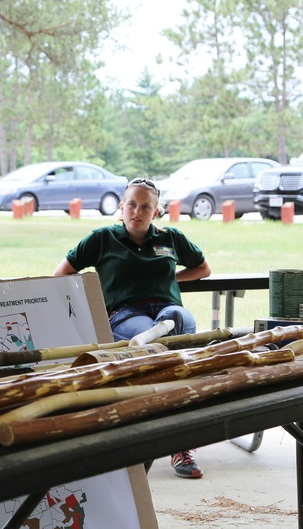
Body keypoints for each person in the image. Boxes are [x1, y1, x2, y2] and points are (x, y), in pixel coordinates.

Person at [54, 177, 212, 479]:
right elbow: (62, 273)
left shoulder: (171, 238)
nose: (137, 212)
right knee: (166, 354)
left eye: (145, 207)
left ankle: (174, 442)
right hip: (126, 316)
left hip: (168, 310)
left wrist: (171, 281)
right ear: (121, 207)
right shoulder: (102, 239)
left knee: (178, 321)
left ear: (156, 211)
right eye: (131, 205)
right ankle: (171, 441)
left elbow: (203, 268)